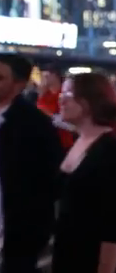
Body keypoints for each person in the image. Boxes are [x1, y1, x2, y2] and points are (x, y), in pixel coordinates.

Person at [53, 73, 116, 272]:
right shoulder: (79, 140)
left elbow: (115, 223)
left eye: (68, 94)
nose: (61, 99)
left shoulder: (111, 150)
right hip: (71, 253)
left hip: (94, 259)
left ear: (90, 101)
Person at [0, 53, 64, 273]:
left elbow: (51, 176)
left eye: (0, 78)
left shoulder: (35, 125)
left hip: (20, 225)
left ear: (19, 84)